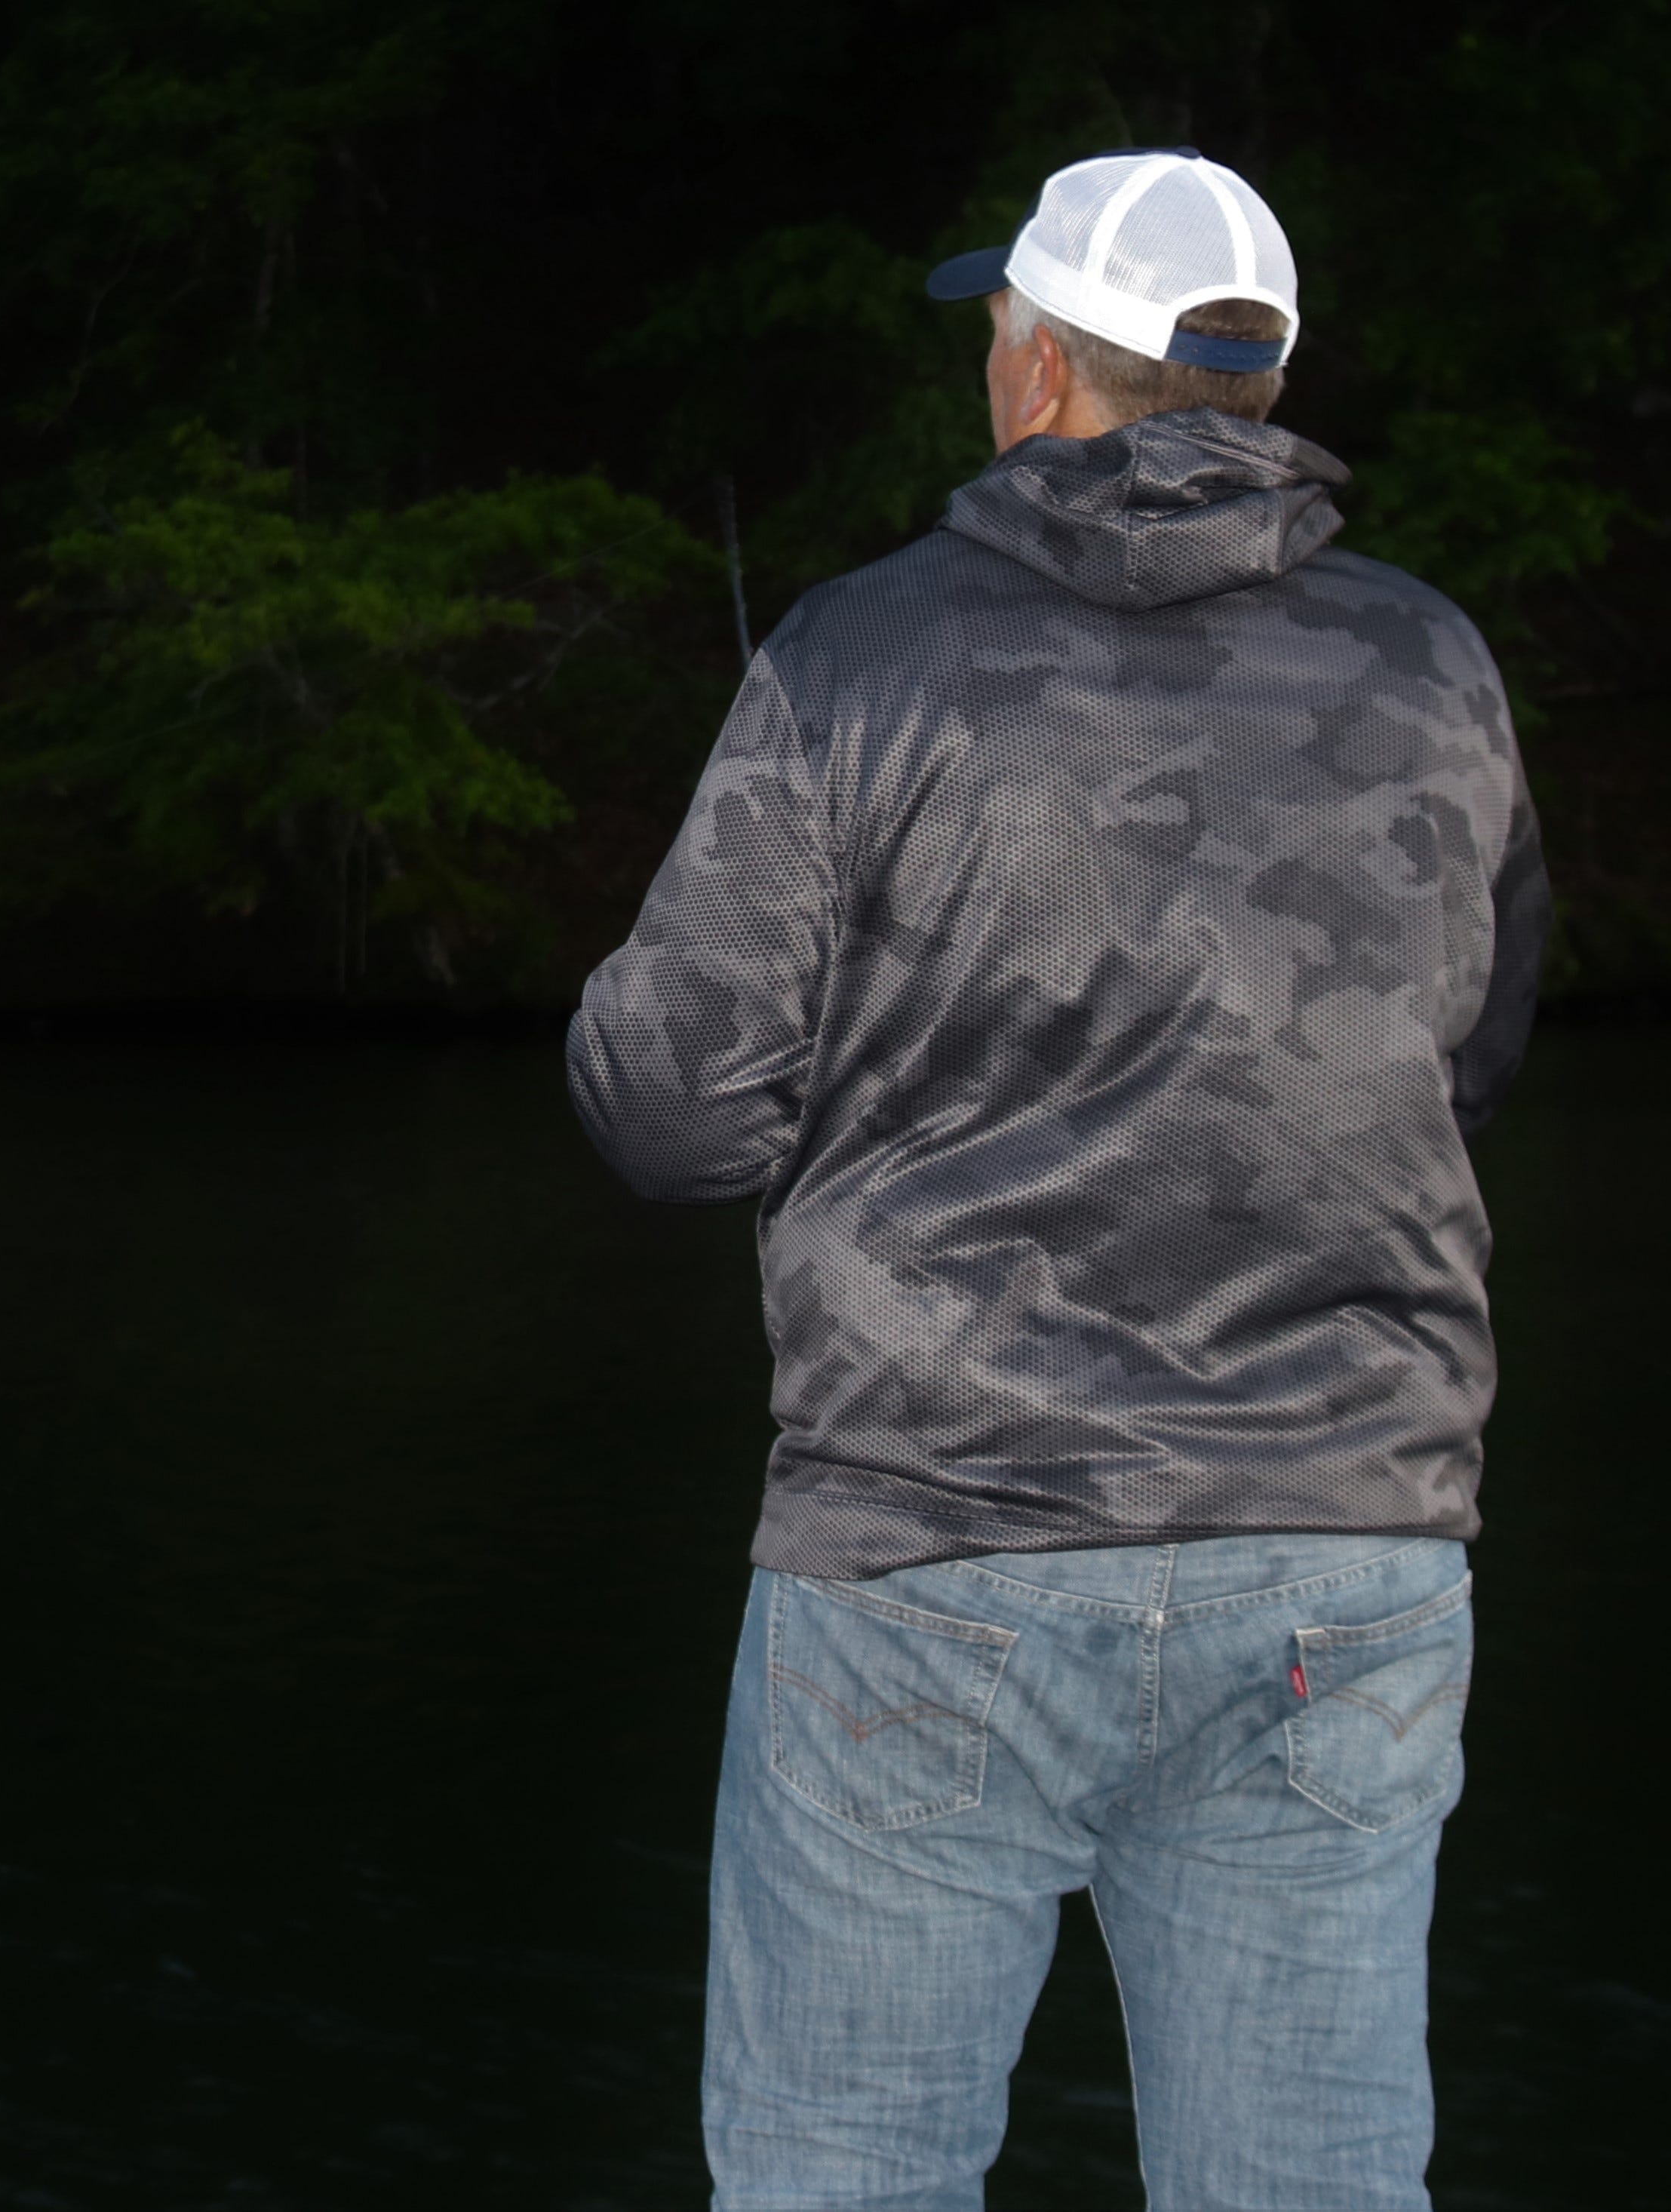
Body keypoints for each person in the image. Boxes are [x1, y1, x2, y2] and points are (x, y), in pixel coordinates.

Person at [567, 149, 1550, 2210]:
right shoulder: (1433, 672)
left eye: (996, 333)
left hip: (937, 1544)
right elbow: (1468, 1055)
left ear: (1035, 371)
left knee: (847, 2177)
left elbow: (671, 1109)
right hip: (1339, 1549)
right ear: (1255, 395)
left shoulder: (857, 664)